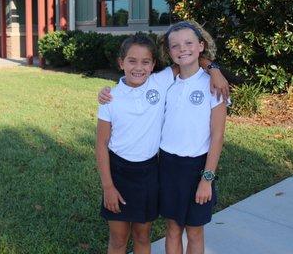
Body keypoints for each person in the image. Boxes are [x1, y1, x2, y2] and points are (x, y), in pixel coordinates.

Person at [96, 32, 228, 254]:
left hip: (149, 173)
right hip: (118, 173)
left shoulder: (160, 81)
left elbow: (189, 59)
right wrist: (108, 186)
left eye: (146, 62)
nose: (139, 67)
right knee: (118, 239)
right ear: (121, 63)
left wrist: (214, 69)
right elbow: (101, 144)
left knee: (142, 236)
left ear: (153, 64)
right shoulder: (111, 98)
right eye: (132, 61)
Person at [157, 21, 227, 254]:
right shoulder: (167, 82)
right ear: (169, 51)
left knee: (195, 231)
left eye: (188, 43)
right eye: (175, 45)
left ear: (200, 45)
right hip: (168, 165)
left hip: (198, 167)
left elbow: (217, 136)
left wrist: (207, 179)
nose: (182, 49)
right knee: (173, 229)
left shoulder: (212, 85)